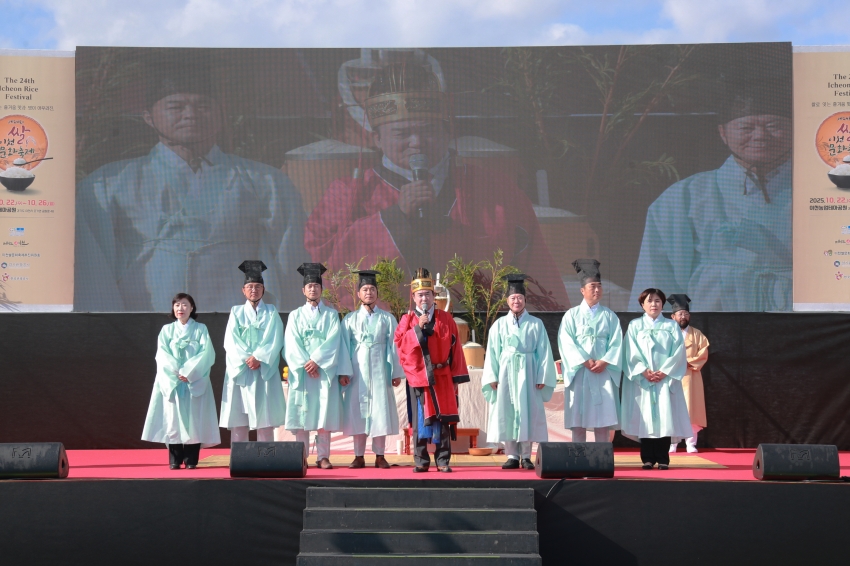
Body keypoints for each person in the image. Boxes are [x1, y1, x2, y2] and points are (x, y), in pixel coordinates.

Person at [305, 61, 569, 309]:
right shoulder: (346, 196)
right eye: (402, 133)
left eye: (428, 130)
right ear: (377, 138)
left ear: (447, 131)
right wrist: (395, 218)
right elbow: (329, 274)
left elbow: (538, 277)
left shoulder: (497, 191)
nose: (417, 142)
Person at [74, 57, 307, 313]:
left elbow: (290, 258)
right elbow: (93, 271)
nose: (191, 114)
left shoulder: (265, 182)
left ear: (221, 114)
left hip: (237, 323)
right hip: (144, 320)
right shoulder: (107, 185)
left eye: (203, 106)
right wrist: (108, 331)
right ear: (148, 117)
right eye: (175, 106)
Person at [630, 79, 791, 311]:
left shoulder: (819, 192)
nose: (760, 136)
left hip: (801, 323)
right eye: (746, 128)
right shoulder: (682, 198)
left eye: (773, 125)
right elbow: (657, 278)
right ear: (723, 133)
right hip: (711, 325)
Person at [394, 268, 468, 473]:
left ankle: (443, 459)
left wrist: (455, 377)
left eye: (427, 293)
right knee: (420, 419)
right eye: (420, 295)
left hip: (443, 375)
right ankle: (421, 459)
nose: (424, 298)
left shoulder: (446, 318)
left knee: (443, 418)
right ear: (413, 297)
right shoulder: (407, 320)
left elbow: (456, 350)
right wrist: (417, 328)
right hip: (418, 377)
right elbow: (400, 348)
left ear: (433, 295)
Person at [483, 274, 557, 470]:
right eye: (513, 298)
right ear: (507, 301)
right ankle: (512, 455)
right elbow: (492, 352)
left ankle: (526, 455)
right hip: (506, 373)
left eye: (520, 298)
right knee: (507, 411)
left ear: (525, 300)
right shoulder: (499, 325)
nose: (517, 301)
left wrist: (542, 375)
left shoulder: (536, 324)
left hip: (529, 371)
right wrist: (492, 375)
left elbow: (544, 351)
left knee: (527, 411)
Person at [284, 263, 351, 469]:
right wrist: (307, 363)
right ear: (303, 290)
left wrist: (317, 362)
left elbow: (334, 341)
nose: (313, 289)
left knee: (323, 414)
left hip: (323, 372)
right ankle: (300, 456)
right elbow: (291, 342)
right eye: (309, 286)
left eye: (316, 286)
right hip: (304, 372)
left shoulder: (331, 315)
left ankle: (323, 456)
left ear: (322, 290)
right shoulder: (295, 315)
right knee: (303, 416)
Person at [142, 293, 220, 469]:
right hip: (172, 381)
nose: (180, 308)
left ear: (192, 308)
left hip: (194, 380)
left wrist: (189, 372)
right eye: (177, 305)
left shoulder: (201, 329)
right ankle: (175, 458)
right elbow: (162, 355)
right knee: (173, 419)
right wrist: (177, 372)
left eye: (184, 305)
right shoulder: (166, 330)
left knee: (194, 418)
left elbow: (206, 354)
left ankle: (191, 458)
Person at [339, 270, 405, 469]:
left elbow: (395, 346)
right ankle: (358, 455)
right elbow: (343, 347)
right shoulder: (349, 320)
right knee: (357, 412)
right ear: (358, 293)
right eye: (365, 289)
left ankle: (379, 455)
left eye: (372, 289)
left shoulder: (387, 319)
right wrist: (344, 371)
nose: (369, 292)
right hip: (357, 371)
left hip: (379, 370)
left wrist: (395, 373)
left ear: (377, 293)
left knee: (380, 411)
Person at [620, 288, 691, 470]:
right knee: (646, 418)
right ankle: (647, 458)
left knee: (664, 417)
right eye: (650, 301)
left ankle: (663, 458)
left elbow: (678, 353)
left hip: (664, 380)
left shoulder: (671, 326)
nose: (654, 304)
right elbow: (630, 351)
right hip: (643, 381)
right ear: (642, 304)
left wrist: (664, 371)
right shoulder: (635, 325)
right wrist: (644, 371)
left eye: (658, 301)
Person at [219, 261, 286, 444]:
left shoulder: (271, 312)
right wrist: (247, 360)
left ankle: (267, 458)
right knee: (240, 420)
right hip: (242, 370)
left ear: (263, 289)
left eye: (257, 286)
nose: (254, 290)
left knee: (265, 419)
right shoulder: (236, 312)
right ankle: (240, 460)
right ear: (243, 290)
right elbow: (230, 341)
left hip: (263, 370)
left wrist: (260, 358)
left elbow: (275, 339)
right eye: (250, 286)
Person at [557, 259, 623, 443]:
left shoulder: (610, 316)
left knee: (602, 420)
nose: (597, 290)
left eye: (599, 286)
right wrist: (584, 360)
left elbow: (617, 342)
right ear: (582, 290)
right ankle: (578, 459)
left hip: (602, 372)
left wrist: (605, 361)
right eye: (592, 286)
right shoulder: (571, 315)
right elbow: (566, 341)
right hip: (580, 372)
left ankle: (600, 460)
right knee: (579, 420)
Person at [667, 294, 709, 453]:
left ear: (689, 316)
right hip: (671, 376)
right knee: (671, 410)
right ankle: (672, 443)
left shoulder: (697, 334)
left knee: (691, 410)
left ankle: (691, 443)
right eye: (680, 314)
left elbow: (703, 353)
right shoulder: (666, 333)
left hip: (691, 377)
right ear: (673, 316)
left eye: (685, 314)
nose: (683, 316)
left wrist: (687, 362)